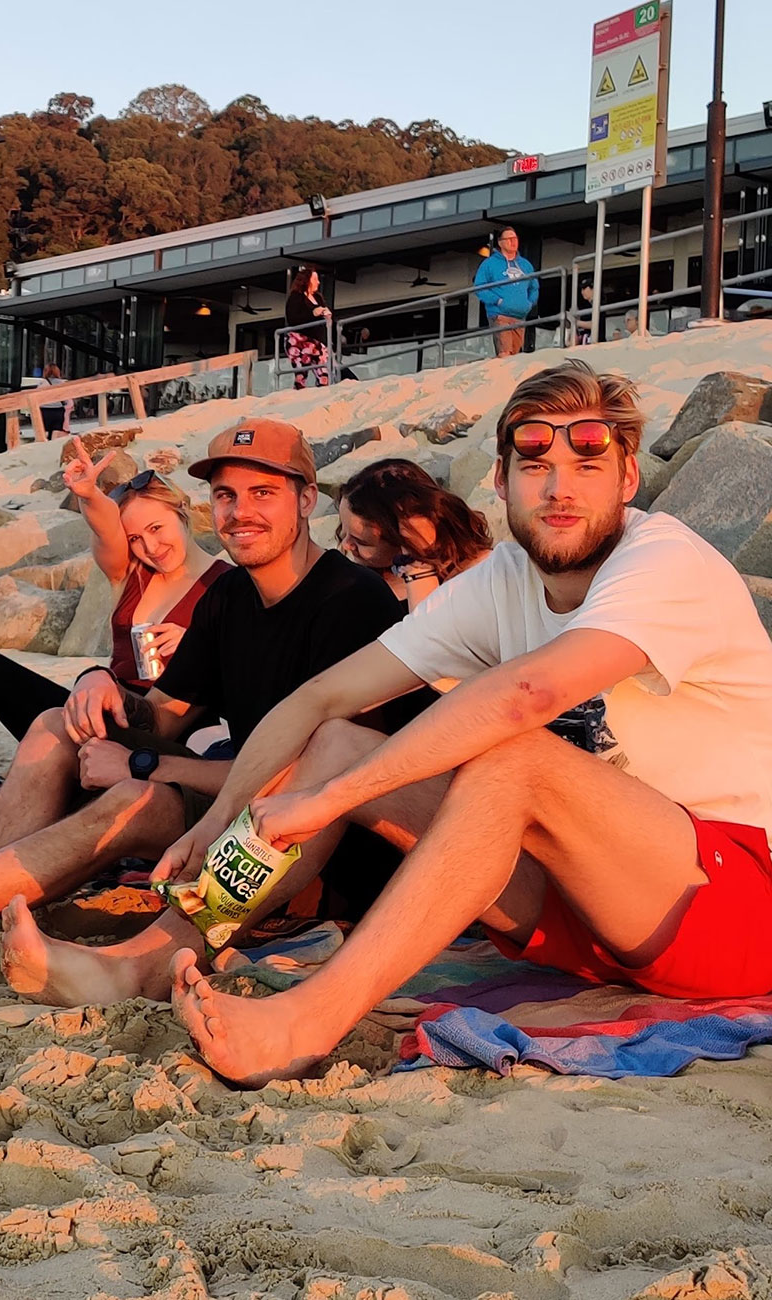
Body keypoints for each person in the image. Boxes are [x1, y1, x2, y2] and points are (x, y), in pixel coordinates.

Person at [148, 361, 772, 1087]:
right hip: (580, 913)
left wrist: (330, 800)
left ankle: (308, 1021)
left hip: (730, 903)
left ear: (628, 479)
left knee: (513, 756)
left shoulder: (663, 561)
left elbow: (527, 694)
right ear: (501, 481)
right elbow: (319, 697)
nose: (560, 487)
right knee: (339, 739)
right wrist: (218, 817)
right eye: (535, 464)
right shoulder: (504, 578)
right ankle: (157, 948)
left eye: (587, 463)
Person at [0, 418, 415, 955]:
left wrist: (142, 762)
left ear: (307, 500)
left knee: (135, 797)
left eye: (263, 493)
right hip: (236, 807)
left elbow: (317, 774)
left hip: (312, 843)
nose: (240, 512)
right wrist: (99, 688)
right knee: (57, 722)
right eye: (226, 496)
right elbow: (166, 715)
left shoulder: (350, 601)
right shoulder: (230, 598)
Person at [0, 446, 230, 777]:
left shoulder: (229, 585)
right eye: (136, 539)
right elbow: (107, 533)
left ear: (182, 510)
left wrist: (198, 647)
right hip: (103, 713)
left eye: (156, 528)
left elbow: (247, 674)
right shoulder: (131, 573)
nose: (150, 548)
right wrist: (89, 495)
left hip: (172, 729)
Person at [336, 459, 493, 610]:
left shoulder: (475, 575)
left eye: (362, 541)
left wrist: (417, 563)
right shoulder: (365, 579)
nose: (346, 545)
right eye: (343, 530)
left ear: (403, 539)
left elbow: (427, 633)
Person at [475, 227, 537, 358]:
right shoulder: (489, 264)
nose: (513, 242)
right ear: (500, 242)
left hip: (520, 316)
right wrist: (498, 300)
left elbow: (534, 286)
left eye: (514, 238)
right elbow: (479, 286)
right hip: (500, 315)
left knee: (515, 355)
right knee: (505, 353)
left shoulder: (525, 265)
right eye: (508, 239)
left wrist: (530, 303)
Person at [284, 266, 332, 389]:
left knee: (324, 374)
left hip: (318, 342)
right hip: (300, 340)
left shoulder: (318, 298)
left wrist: (326, 315)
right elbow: (293, 319)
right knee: (301, 375)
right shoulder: (296, 297)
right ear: (307, 280)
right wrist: (312, 313)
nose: (318, 282)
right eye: (315, 279)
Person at [38, 364, 69, 438]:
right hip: (58, 411)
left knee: (44, 432)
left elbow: (37, 399)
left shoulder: (42, 384)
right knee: (56, 433)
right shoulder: (62, 383)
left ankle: (44, 446)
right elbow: (66, 401)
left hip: (45, 411)